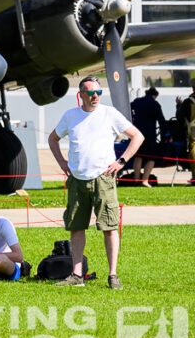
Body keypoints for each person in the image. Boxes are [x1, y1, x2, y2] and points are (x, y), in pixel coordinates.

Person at [47, 77, 143, 289]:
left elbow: (137, 136)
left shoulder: (109, 114)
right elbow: (52, 139)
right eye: (91, 93)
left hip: (103, 179)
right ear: (80, 95)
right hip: (77, 180)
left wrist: (121, 162)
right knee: (76, 228)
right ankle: (77, 275)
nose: (95, 97)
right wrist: (62, 162)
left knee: (109, 227)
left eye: (98, 93)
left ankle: (113, 275)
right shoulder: (70, 116)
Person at [130, 86, 168, 187]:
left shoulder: (137, 101)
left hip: (137, 133)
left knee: (138, 156)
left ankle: (136, 180)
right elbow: (161, 121)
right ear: (154, 96)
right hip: (150, 134)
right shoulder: (155, 104)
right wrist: (164, 137)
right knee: (151, 158)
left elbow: (128, 109)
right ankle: (145, 180)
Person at [182, 82, 195, 185]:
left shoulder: (189, 101)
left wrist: (178, 105)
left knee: (193, 151)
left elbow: (180, 116)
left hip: (193, 130)